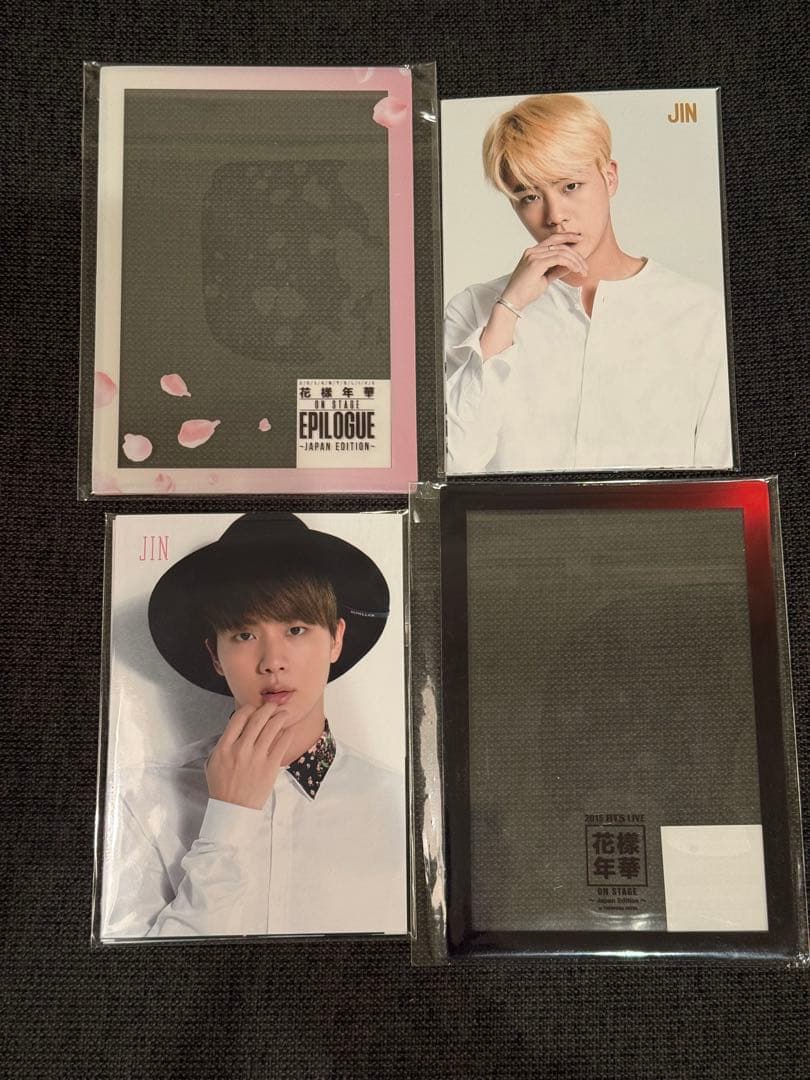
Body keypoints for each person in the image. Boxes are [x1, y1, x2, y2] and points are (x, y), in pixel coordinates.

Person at [101, 512, 405, 939]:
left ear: (336, 638)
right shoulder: (142, 800)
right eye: (244, 635)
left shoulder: (400, 807)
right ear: (215, 655)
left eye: (295, 629)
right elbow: (141, 975)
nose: (272, 661)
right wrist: (228, 819)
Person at [445, 93, 733, 474]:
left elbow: (720, 476)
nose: (555, 215)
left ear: (609, 177)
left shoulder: (701, 315)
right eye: (530, 196)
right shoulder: (473, 310)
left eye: (570, 186)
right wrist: (507, 310)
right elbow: (453, 466)